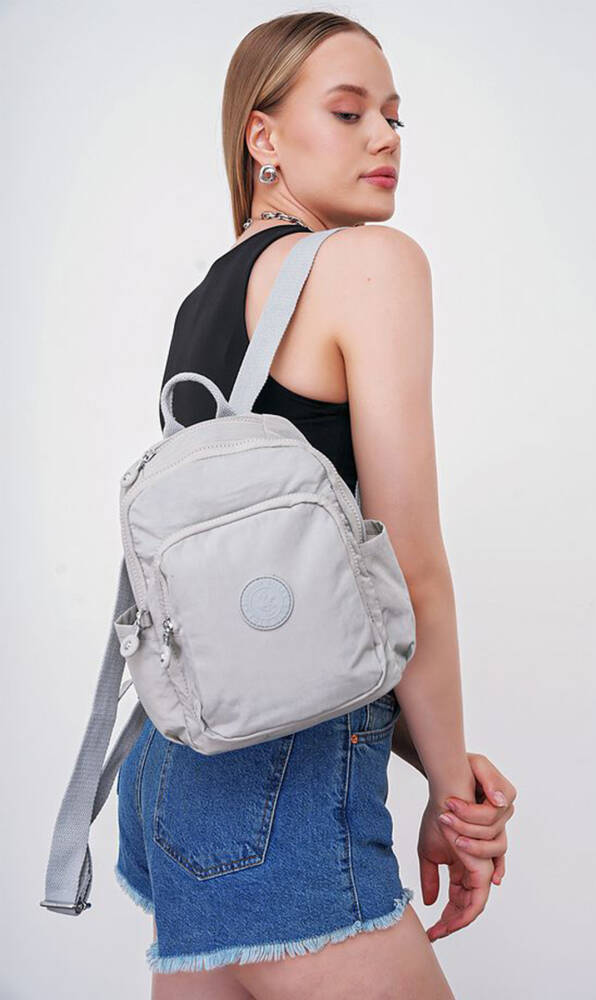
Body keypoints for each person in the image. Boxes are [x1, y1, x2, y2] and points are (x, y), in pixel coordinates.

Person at [115, 12, 517, 999]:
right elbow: (407, 566)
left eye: (393, 116)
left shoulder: (207, 301)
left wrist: (430, 753)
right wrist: (456, 799)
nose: (384, 136)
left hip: (174, 773)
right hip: (285, 787)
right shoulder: (369, 264)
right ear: (263, 136)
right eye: (348, 112)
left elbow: (274, 613)